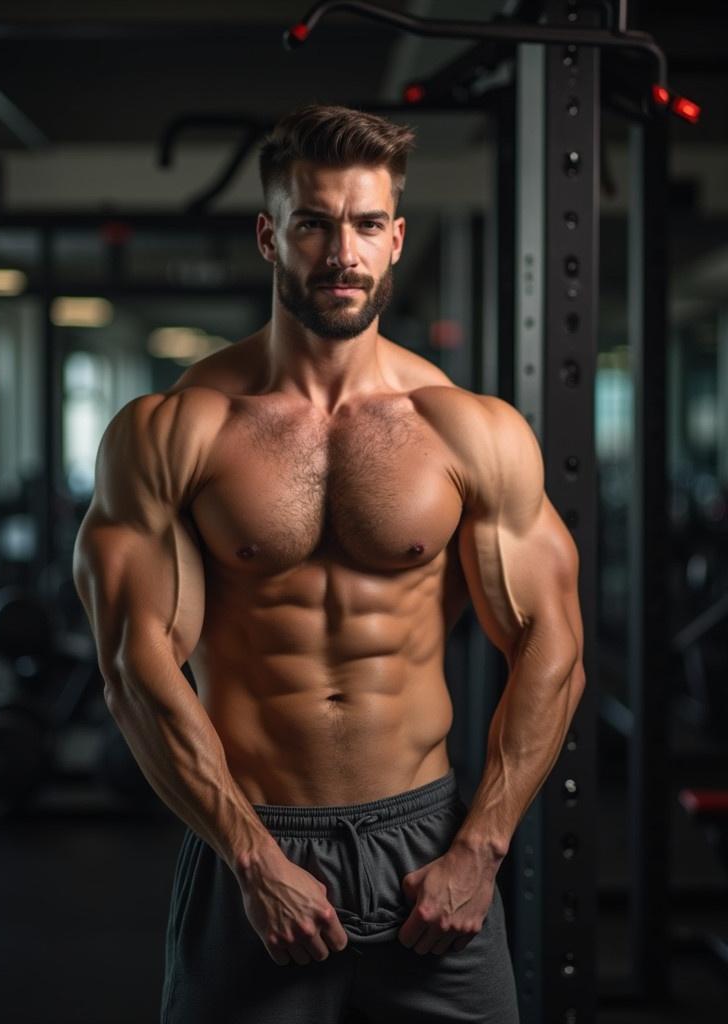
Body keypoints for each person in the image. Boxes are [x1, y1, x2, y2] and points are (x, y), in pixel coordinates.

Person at [73, 104, 585, 1024]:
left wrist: (481, 849)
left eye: (363, 225)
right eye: (312, 223)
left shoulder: (469, 429)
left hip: (428, 844)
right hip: (249, 837)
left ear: (395, 239)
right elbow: (132, 663)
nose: (339, 252)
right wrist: (251, 859)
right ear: (271, 235)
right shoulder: (176, 431)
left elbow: (553, 642)